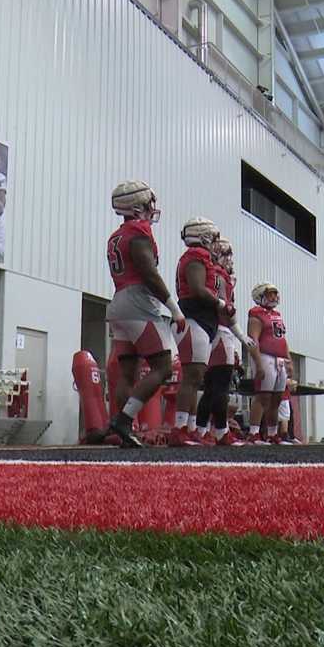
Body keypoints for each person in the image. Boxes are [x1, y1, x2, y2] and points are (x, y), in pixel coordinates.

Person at [101, 181, 183, 447]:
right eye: (148, 203)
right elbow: (149, 273)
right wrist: (174, 308)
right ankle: (124, 420)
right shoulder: (139, 232)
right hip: (138, 302)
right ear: (137, 206)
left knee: (128, 373)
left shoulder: (117, 235)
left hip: (119, 302)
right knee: (163, 366)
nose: (152, 207)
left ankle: (124, 427)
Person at [167, 218, 228, 447]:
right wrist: (222, 304)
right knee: (192, 377)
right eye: (212, 239)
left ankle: (190, 428)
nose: (214, 244)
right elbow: (197, 288)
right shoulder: (195, 256)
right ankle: (180, 428)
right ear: (203, 237)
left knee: (196, 378)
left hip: (200, 321)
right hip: (195, 319)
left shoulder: (198, 257)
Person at [193, 236, 254, 446]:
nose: (230, 259)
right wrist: (240, 335)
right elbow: (225, 309)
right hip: (220, 330)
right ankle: (220, 431)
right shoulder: (219, 275)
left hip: (211, 329)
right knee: (220, 384)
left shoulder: (213, 273)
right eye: (227, 254)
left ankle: (200, 430)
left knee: (211, 386)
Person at [247, 282, 290, 444]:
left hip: (279, 359)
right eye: (270, 293)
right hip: (265, 356)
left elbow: (282, 339)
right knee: (263, 396)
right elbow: (253, 339)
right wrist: (258, 363)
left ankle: (272, 434)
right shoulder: (256, 313)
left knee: (277, 398)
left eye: (275, 293)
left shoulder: (277, 314)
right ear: (260, 295)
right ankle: (254, 433)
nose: (274, 297)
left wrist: (289, 360)